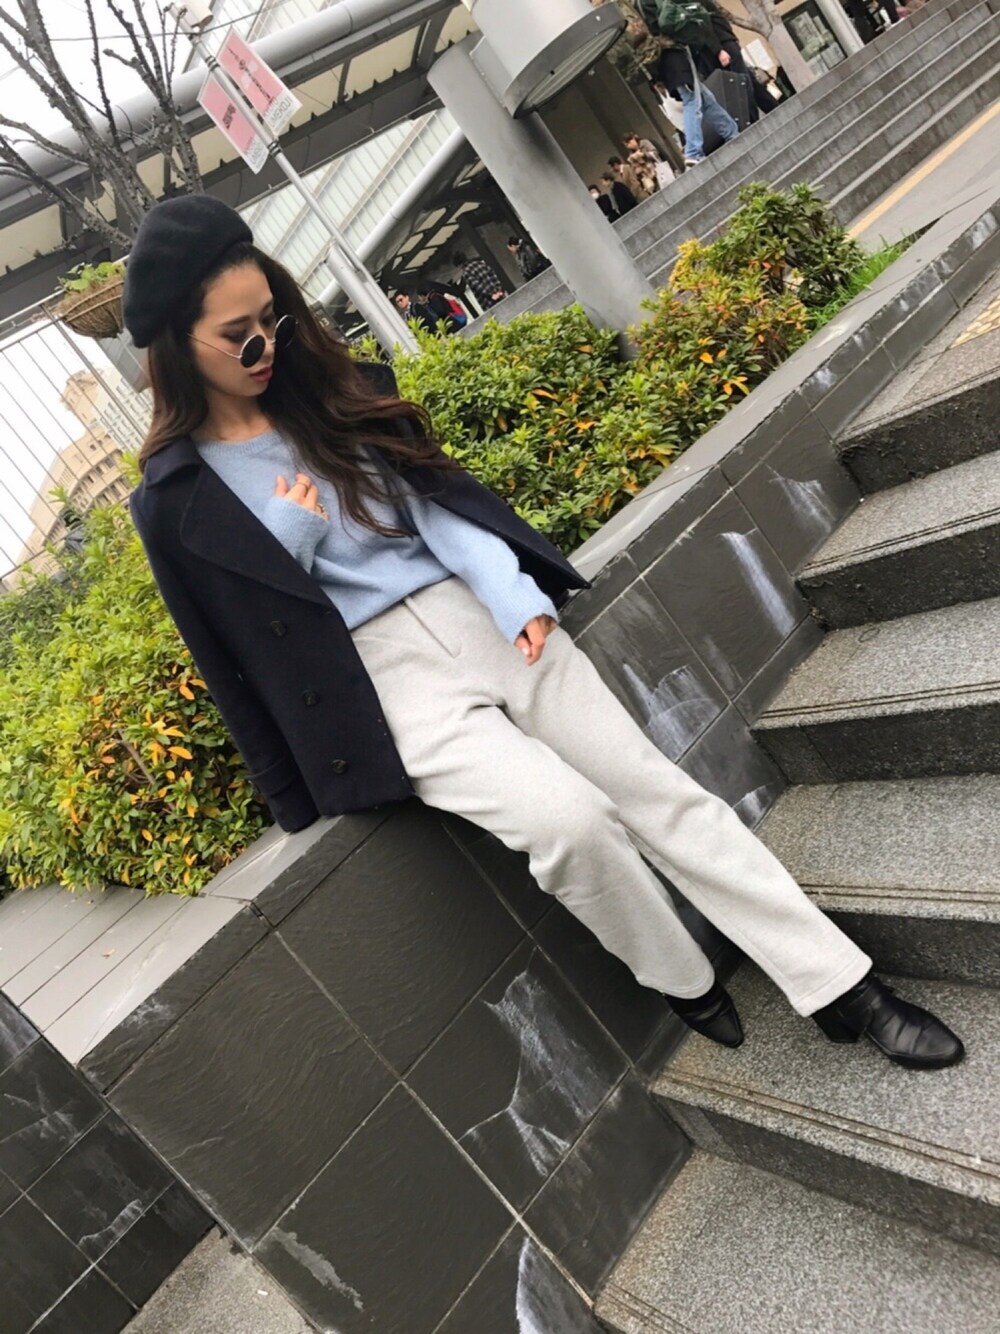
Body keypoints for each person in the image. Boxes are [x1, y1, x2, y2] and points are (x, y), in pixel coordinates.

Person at [124, 194, 965, 1074]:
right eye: (241, 337)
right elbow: (229, 649)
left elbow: (435, 505)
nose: (267, 347)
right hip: (381, 682)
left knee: (652, 789)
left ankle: (844, 989)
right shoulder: (174, 498)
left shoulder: (333, 394)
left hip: (479, 613)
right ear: (178, 346)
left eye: (274, 321)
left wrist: (509, 590)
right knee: (567, 824)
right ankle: (681, 977)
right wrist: (291, 545)